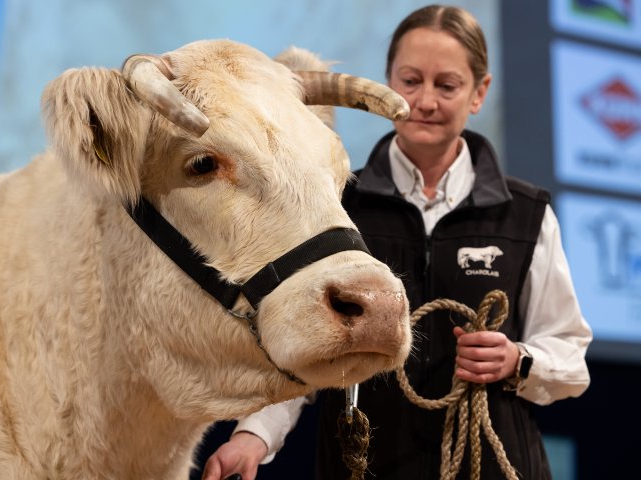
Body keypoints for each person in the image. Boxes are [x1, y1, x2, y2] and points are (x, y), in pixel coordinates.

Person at [202, 4, 592, 480]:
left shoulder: (525, 214)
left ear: (479, 93)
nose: (425, 100)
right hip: (365, 466)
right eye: (410, 81)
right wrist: (252, 437)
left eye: (446, 85)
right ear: (388, 82)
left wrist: (518, 360)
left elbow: (571, 357)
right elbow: (300, 350)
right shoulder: (338, 205)